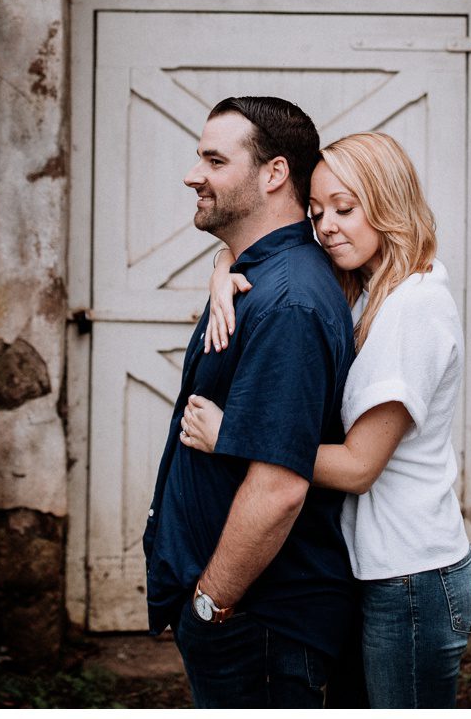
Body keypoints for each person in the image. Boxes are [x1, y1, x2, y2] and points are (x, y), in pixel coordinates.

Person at [180, 131, 471, 708]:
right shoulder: (370, 287)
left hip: (414, 577)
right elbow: (260, 247)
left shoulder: (413, 307)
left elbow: (360, 466)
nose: (327, 227)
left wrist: (234, 437)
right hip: (375, 571)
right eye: (317, 213)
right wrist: (224, 271)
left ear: (390, 202)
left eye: (346, 208)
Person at [142, 96, 358, 708]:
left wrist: (211, 604)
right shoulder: (256, 275)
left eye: (214, 159)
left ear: (274, 174)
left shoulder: (287, 302)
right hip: (251, 619)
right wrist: (224, 260)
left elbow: (281, 484)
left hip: (261, 623)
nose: (193, 174)